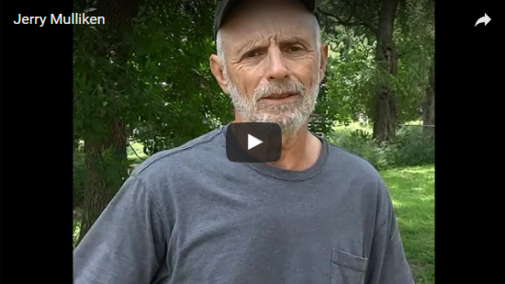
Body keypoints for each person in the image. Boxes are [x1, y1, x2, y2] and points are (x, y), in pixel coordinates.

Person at [73, 0, 415, 283]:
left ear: (322, 61)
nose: (278, 69)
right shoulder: (164, 187)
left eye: (294, 48)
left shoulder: (361, 187)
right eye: (253, 54)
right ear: (222, 74)